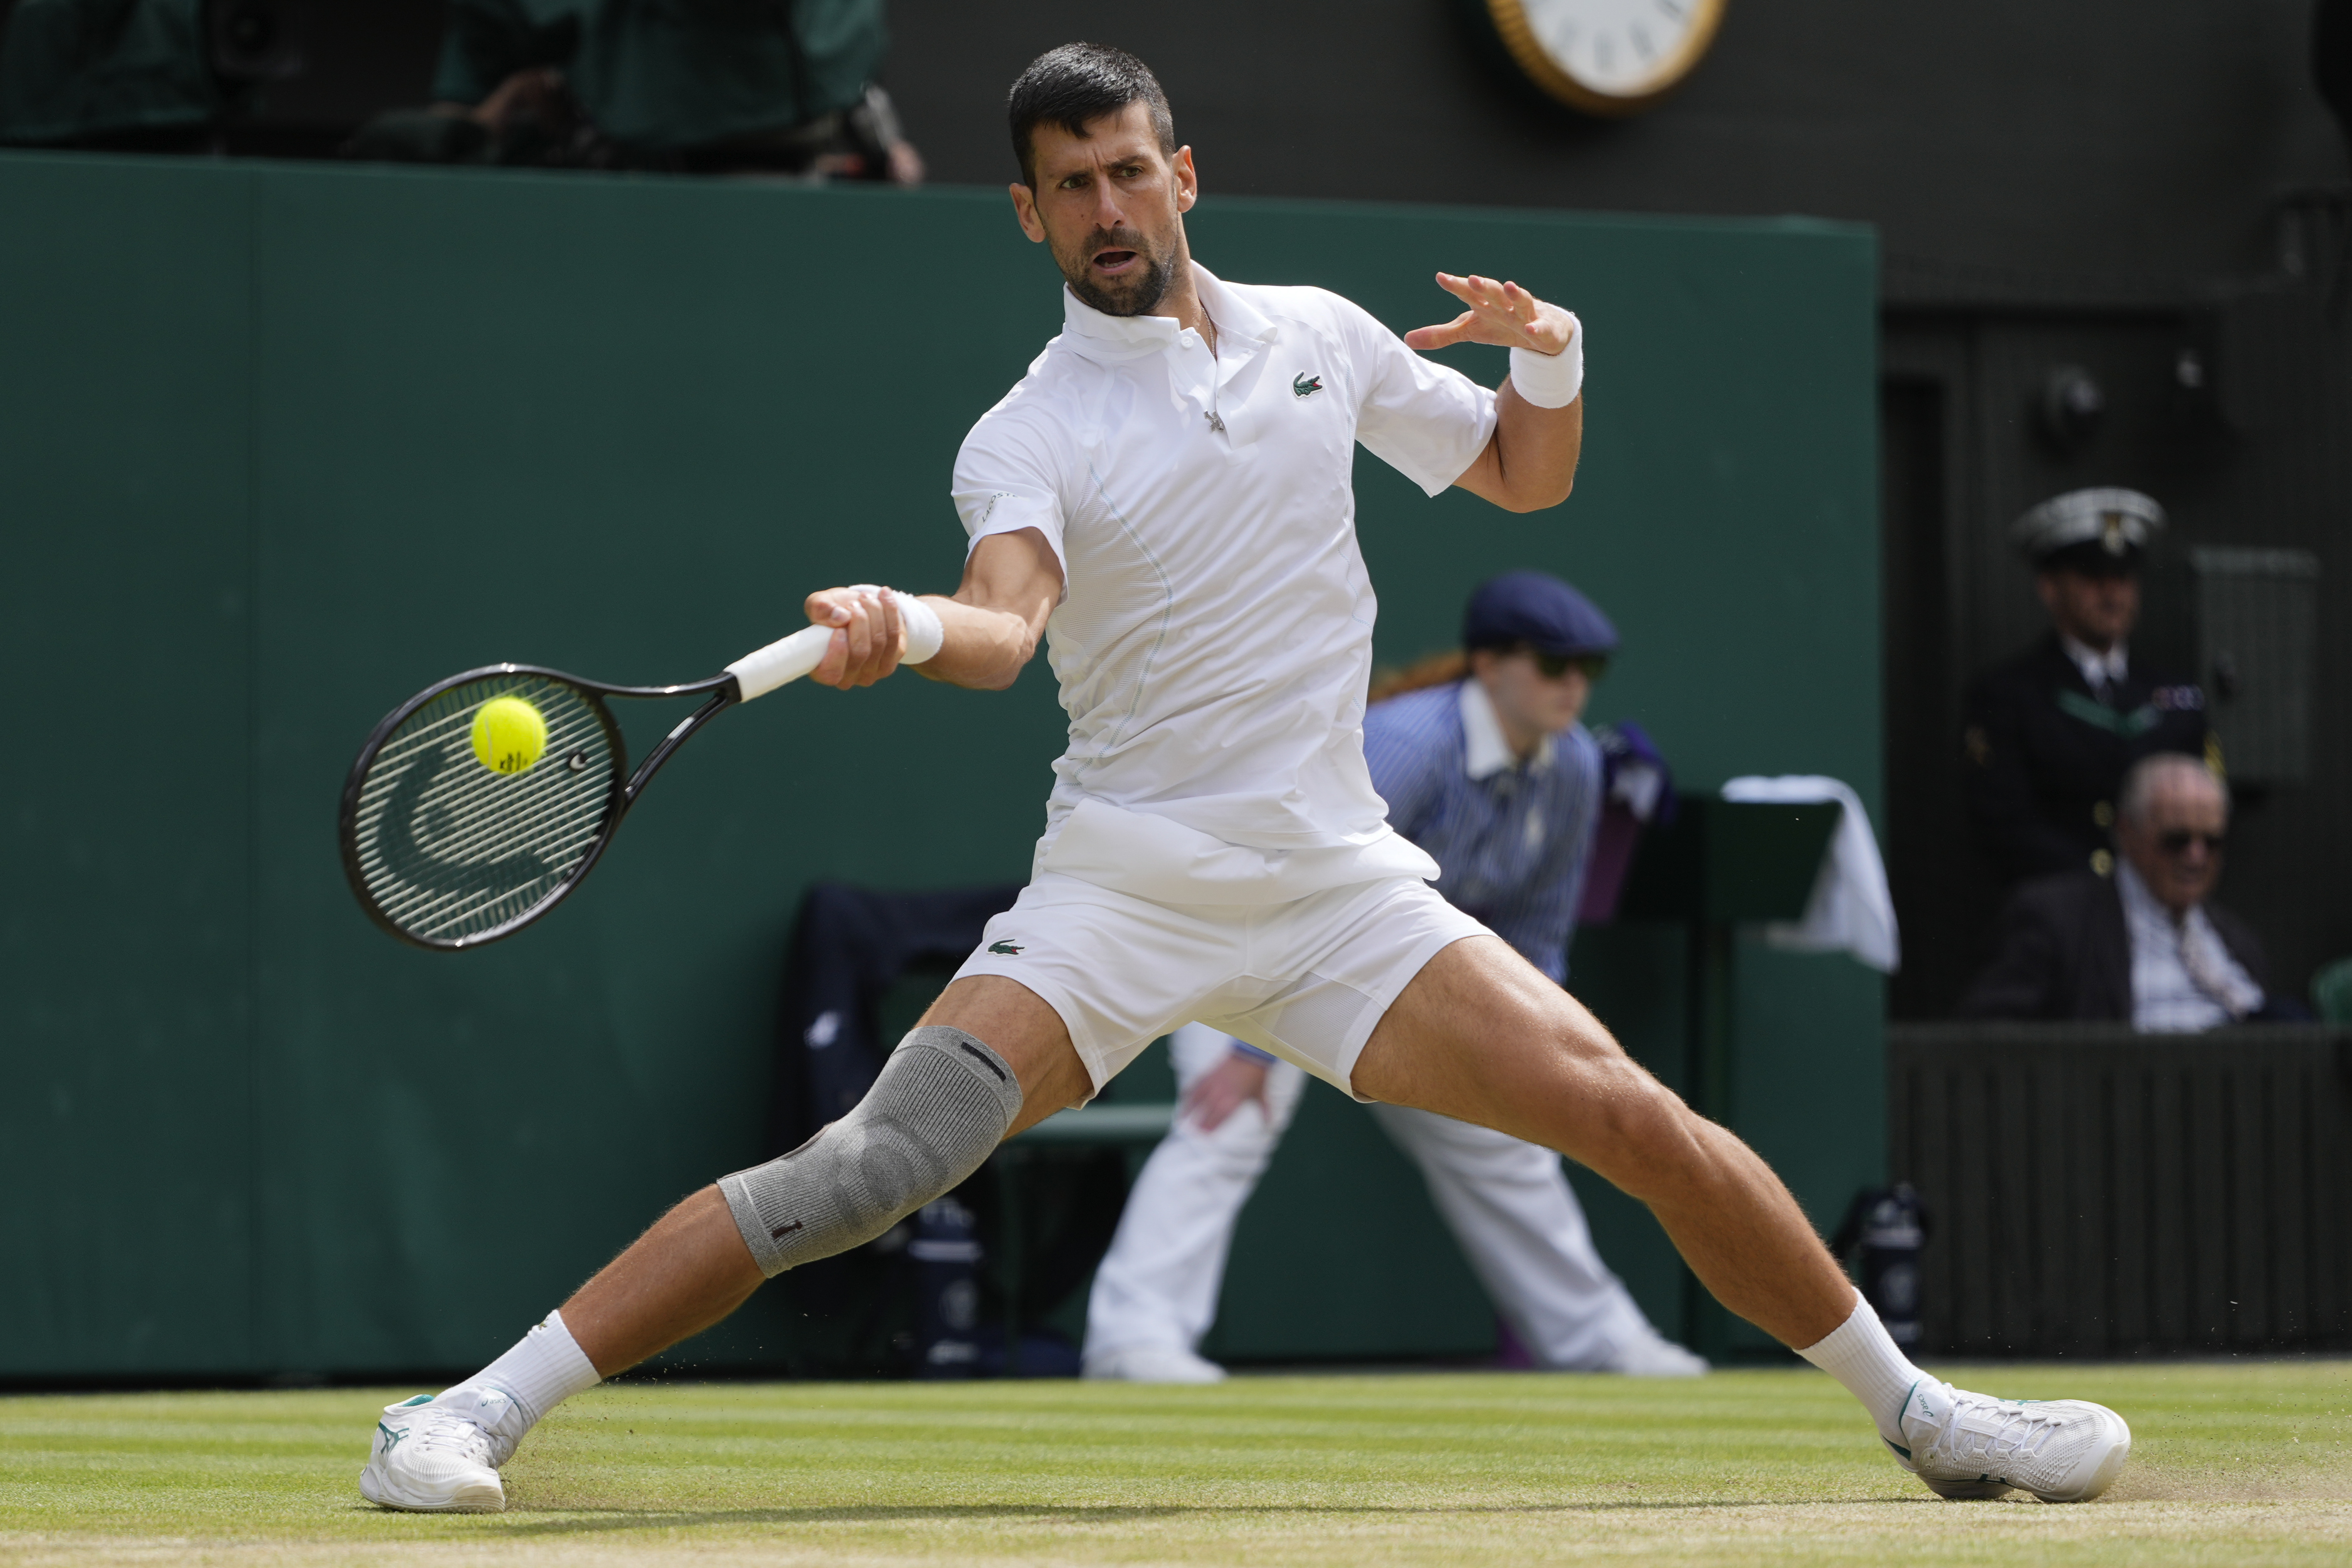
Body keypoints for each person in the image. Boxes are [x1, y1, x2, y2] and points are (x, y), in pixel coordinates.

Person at [358, 43, 2133, 1513]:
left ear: (1181, 174)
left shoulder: (1319, 337)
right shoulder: (1029, 428)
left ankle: (1924, 1414)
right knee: (872, 1165)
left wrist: (1556, 351)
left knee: (1628, 1116)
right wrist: (906, 618)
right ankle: (466, 1413)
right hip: (1121, 891)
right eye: (1070, 185)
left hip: (1334, 887)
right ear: (1028, 212)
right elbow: (1000, 629)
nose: (1106, 208)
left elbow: (1525, 474)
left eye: (1128, 170)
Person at [1083, 572, 1704, 1382]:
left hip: (1395, 977)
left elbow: (1536, 931)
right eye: (1552, 664)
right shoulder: (1408, 743)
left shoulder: (1576, 765)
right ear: (1488, 665)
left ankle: (1597, 1340)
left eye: (1586, 667)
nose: (1572, 685)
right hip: (1249, 938)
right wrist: (1253, 1055)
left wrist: (1536, 1049)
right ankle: (1132, 1338)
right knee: (1231, 1119)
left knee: (1506, 1145)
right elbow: (1294, 885)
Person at [1962, 488, 2207, 888]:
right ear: (2050, 588)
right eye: (2093, 578)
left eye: (2123, 578)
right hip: (2063, 915)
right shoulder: (2008, 696)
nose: (2112, 595)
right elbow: (2003, 824)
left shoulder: (2178, 697)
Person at [1960, 753, 2289, 1027]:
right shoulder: (2056, 920)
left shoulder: (2236, 940)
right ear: (2127, 832)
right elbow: (1990, 1040)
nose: (2196, 857)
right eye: (2177, 840)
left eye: (2212, 842)